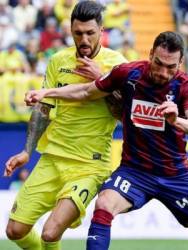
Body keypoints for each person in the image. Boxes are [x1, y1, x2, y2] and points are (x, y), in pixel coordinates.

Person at [25, 31, 188, 250]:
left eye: (171, 66)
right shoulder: (128, 73)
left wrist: (176, 120)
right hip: (135, 172)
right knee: (104, 204)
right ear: (150, 55)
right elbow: (85, 92)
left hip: (175, 176)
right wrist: (47, 92)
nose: (163, 72)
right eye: (159, 63)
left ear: (181, 62)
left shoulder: (186, 86)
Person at [4, 1, 127, 250]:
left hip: (89, 165)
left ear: (101, 31)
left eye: (90, 33)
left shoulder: (117, 64)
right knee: (15, 231)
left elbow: (125, 113)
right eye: (78, 33)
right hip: (52, 158)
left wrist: (102, 80)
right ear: (70, 30)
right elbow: (43, 109)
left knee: (50, 233)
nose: (83, 39)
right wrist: (27, 150)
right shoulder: (58, 61)